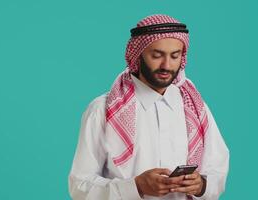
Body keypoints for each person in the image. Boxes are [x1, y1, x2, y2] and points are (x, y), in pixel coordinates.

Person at [68, 14, 229, 200]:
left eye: (174, 56)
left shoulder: (194, 107)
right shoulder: (103, 110)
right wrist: (135, 187)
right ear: (138, 55)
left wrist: (201, 185)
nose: (166, 65)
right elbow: (80, 186)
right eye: (156, 55)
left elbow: (217, 169)